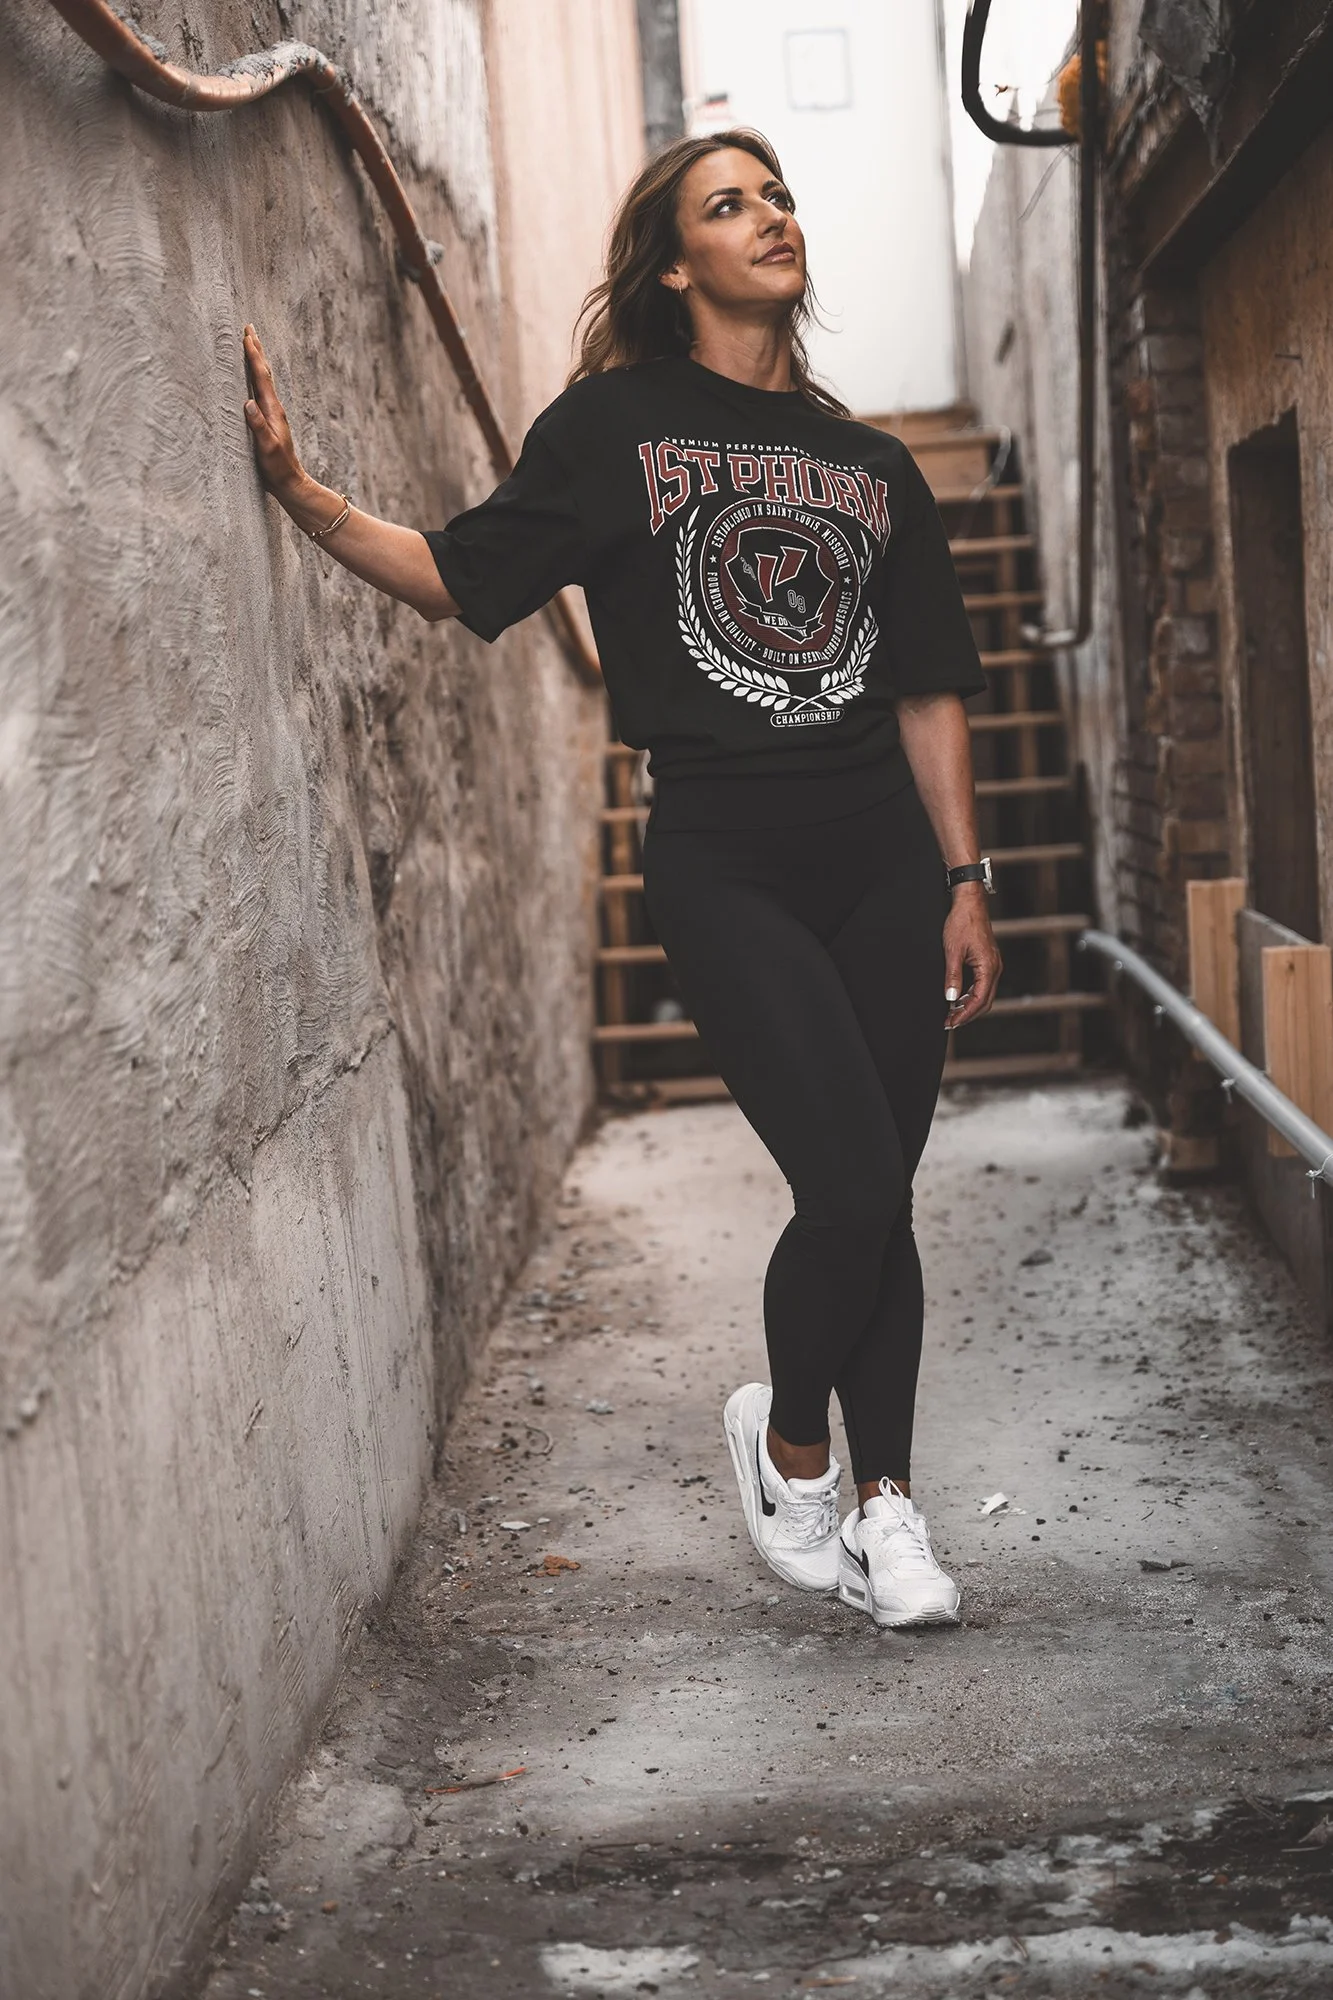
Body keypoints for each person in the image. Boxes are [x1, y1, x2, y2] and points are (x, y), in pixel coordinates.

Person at [242, 128, 1002, 1632]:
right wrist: (304, 494)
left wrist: (964, 878)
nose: (770, 216)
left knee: (880, 1199)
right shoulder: (614, 428)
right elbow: (464, 574)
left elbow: (926, 684)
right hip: (726, 856)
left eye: (778, 196)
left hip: (883, 855)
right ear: (672, 265)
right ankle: (793, 1452)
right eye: (730, 204)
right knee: (851, 1181)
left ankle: (888, 1510)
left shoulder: (872, 468)